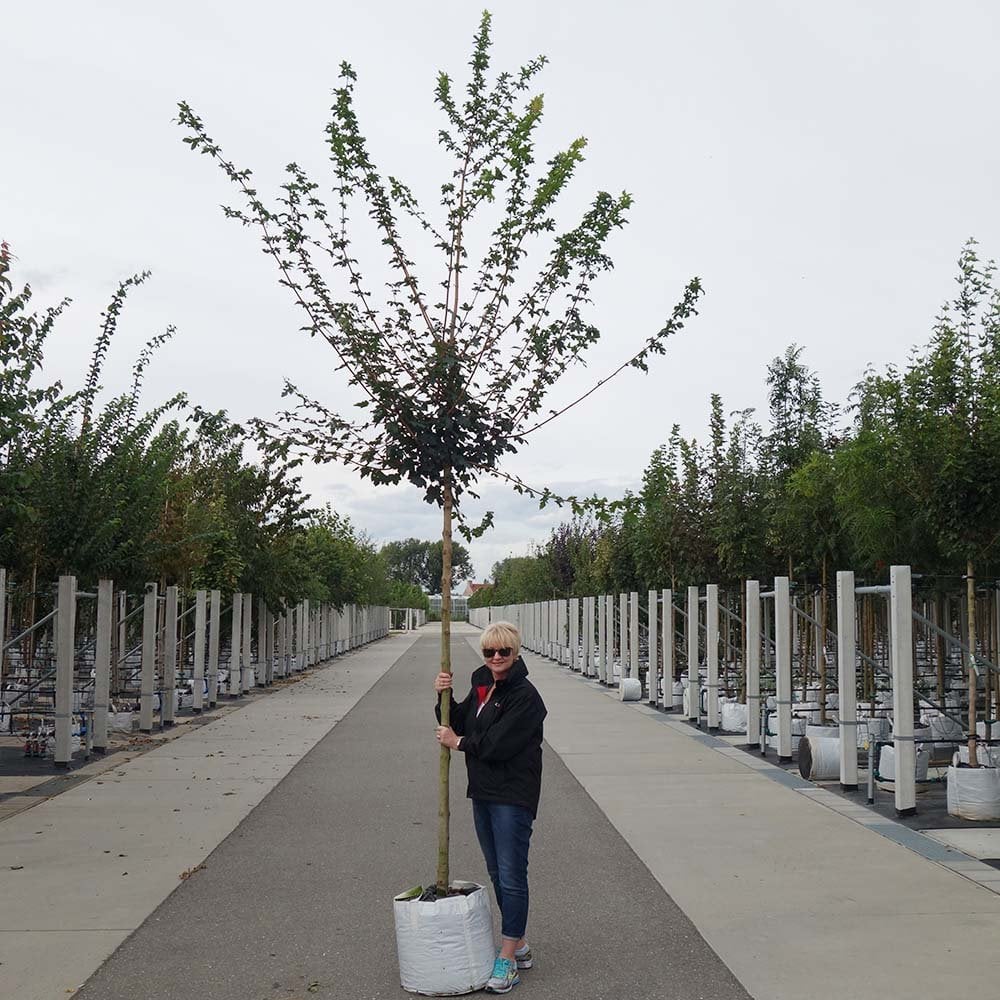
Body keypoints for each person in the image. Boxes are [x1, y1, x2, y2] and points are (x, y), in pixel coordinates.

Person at [434, 621, 547, 995]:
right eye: (490, 652)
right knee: (498, 871)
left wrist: (458, 742)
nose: (496, 658)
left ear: (516, 653)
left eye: (504, 652)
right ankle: (521, 943)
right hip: (483, 791)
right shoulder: (483, 683)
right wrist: (443, 698)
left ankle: (509, 956)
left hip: (512, 795)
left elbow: (497, 744)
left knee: (513, 874)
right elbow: (462, 719)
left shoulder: (526, 697)